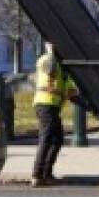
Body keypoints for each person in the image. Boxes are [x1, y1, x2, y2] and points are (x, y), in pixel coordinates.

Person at [31, 41, 77, 188]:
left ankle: (46, 173)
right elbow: (50, 70)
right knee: (46, 139)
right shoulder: (45, 60)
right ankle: (37, 175)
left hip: (53, 107)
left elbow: (71, 92)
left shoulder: (63, 69)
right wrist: (50, 52)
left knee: (57, 140)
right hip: (44, 104)